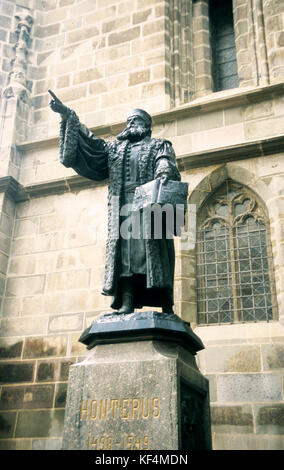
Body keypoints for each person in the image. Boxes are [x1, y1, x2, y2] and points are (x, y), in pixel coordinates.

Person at [49, 90, 181, 314]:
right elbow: (91, 144)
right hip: (123, 208)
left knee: (156, 255)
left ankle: (166, 304)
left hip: (152, 205)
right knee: (125, 258)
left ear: (147, 126)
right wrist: (68, 116)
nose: (131, 125)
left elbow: (165, 163)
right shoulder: (116, 148)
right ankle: (127, 302)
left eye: (136, 121)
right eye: (129, 121)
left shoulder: (160, 144)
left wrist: (164, 173)